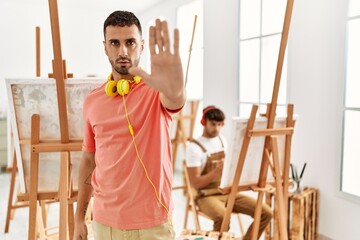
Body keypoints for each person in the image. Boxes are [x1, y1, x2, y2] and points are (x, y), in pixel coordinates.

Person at [73, 10, 186, 240]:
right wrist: (78, 219)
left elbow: (175, 98)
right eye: (114, 43)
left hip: (153, 223)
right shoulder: (92, 101)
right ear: (105, 47)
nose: (123, 51)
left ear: (142, 46)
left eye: (130, 42)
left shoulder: (157, 90)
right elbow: (88, 160)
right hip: (105, 223)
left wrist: (174, 84)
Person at [185, 106, 273, 240]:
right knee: (222, 216)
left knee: (266, 212)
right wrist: (216, 171)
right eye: (213, 124)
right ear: (204, 122)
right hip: (206, 196)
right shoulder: (194, 147)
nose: (217, 129)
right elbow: (195, 183)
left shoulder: (222, 140)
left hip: (227, 192)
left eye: (220, 125)